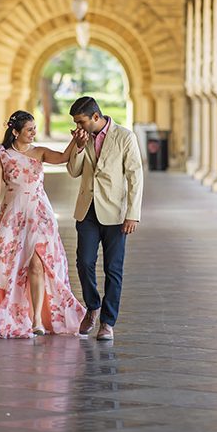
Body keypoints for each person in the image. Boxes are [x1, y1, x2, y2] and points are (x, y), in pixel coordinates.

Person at [0, 111, 87, 338]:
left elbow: (64, 157)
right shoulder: (2, 156)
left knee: (38, 264)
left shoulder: (40, 152)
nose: (33, 133)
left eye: (35, 129)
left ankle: (37, 319)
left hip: (40, 214)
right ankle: (15, 315)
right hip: (14, 215)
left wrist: (75, 141)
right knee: (13, 265)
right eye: (29, 129)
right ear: (15, 132)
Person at [67, 96, 144, 341]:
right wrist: (77, 147)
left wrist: (133, 214)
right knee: (84, 262)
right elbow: (73, 171)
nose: (78, 127)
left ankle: (108, 323)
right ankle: (93, 307)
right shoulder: (82, 137)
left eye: (81, 122)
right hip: (87, 210)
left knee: (113, 269)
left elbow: (135, 177)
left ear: (96, 117)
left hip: (116, 212)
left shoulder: (125, 137)